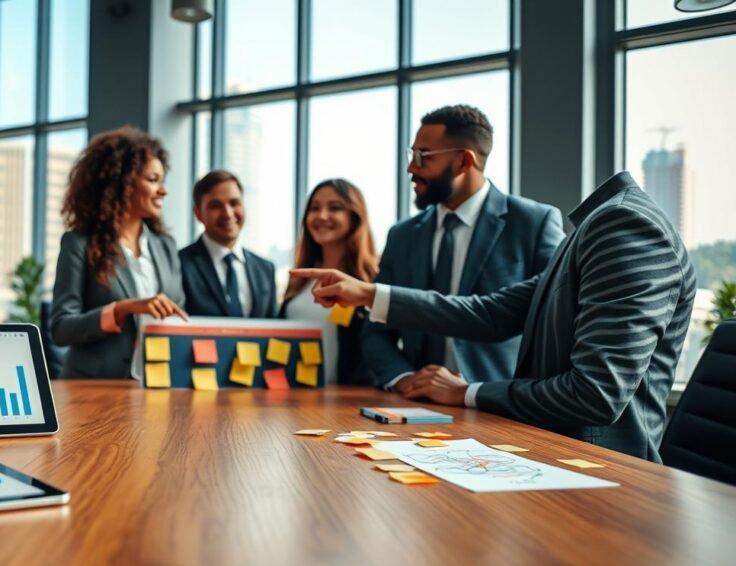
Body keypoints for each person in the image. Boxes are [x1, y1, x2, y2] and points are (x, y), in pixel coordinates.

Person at [291, 171, 696, 462]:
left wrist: (466, 391)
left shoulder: (624, 224)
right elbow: (489, 313)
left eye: (423, 155)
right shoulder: (588, 233)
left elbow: (595, 393)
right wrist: (367, 293)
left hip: (601, 470)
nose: (412, 166)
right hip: (531, 448)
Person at [362, 105, 565, 393]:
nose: (411, 168)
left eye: (423, 156)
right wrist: (404, 378)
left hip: (500, 407)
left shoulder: (534, 223)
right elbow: (375, 331)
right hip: (415, 406)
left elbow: (553, 319)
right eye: (412, 154)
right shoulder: (402, 235)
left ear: (463, 162)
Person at [50, 127, 188, 379]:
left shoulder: (165, 246)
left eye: (162, 180)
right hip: (94, 389)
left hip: (155, 387)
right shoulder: (78, 244)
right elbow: (61, 328)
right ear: (120, 183)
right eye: (152, 179)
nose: (163, 190)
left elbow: (178, 316)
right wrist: (122, 309)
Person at [281, 179, 379, 386]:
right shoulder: (298, 279)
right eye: (314, 208)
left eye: (334, 208)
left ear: (354, 217)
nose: (322, 216)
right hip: (294, 397)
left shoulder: (372, 279)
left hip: (347, 401)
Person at [179, 170, 278, 318]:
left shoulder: (265, 269)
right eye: (215, 205)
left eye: (234, 203)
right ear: (198, 213)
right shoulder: (179, 264)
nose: (228, 213)